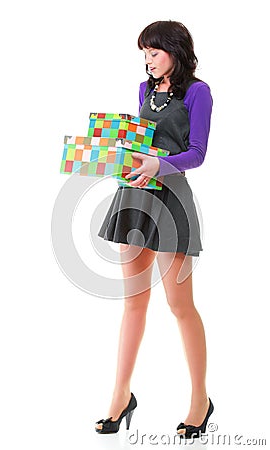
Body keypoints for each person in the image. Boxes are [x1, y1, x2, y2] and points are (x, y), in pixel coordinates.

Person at [95, 20, 214, 439]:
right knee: (133, 303)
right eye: (144, 53)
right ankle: (120, 394)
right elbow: (141, 141)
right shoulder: (146, 90)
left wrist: (158, 165)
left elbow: (196, 153)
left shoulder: (198, 92)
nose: (147, 60)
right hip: (134, 198)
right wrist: (122, 158)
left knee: (180, 305)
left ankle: (200, 399)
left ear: (175, 52)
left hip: (172, 200)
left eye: (154, 52)